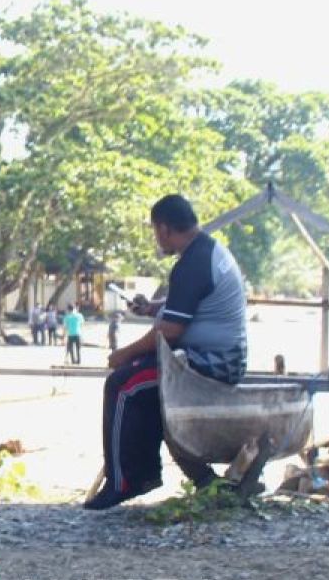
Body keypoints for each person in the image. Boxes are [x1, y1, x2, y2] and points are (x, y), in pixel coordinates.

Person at [86, 194, 247, 510]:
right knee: (140, 379)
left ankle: (126, 481)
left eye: (154, 231)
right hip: (215, 356)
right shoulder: (205, 251)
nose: (156, 238)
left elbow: (171, 331)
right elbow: (187, 305)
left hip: (213, 364)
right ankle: (147, 474)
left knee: (123, 384)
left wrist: (123, 353)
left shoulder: (192, 264)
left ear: (163, 228)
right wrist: (153, 308)